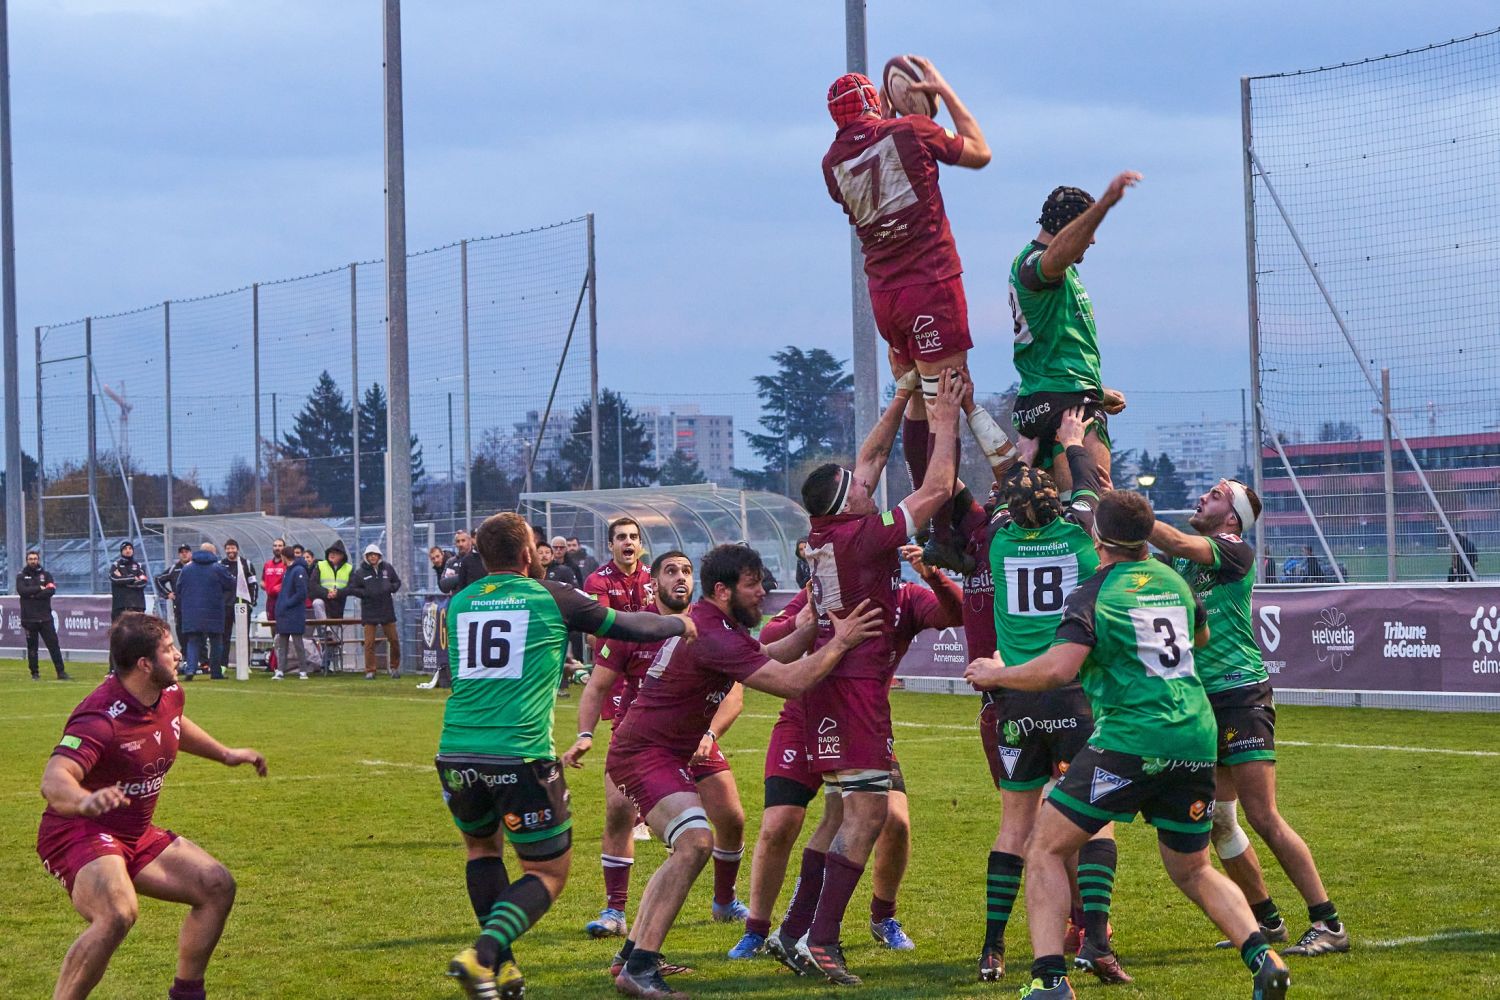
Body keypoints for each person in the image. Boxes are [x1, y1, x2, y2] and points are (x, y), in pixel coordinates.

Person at [965, 490, 1291, 1000]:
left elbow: (1058, 670)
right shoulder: (1174, 580)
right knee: (1193, 867)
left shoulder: (1094, 593)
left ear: (1098, 536)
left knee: (1045, 846)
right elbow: (1200, 638)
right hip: (1194, 735)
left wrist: (995, 673)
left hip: (1132, 736)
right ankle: (1263, 959)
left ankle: (1050, 981)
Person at [604, 543, 883, 999]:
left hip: (657, 751)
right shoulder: (713, 634)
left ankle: (632, 957)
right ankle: (639, 968)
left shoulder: (715, 625)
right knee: (696, 842)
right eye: (752, 584)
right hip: (646, 753)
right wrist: (841, 641)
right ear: (722, 590)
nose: (761, 592)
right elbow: (790, 681)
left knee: (692, 843)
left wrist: (812, 628)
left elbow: (765, 652)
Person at [437, 512, 695, 1000]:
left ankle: (503, 971)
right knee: (547, 872)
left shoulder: (460, 602)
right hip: (519, 753)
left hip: (455, 751)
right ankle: (482, 955)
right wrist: (677, 623)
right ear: (527, 553)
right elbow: (626, 625)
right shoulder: (551, 594)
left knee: (483, 851)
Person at [790, 371, 961, 985]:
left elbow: (871, 455)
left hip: (830, 685)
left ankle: (794, 931)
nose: (868, 483)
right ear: (848, 504)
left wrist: (901, 395)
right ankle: (822, 939)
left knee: (842, 813)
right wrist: (944, 414)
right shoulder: (863, 537)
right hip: (858, 686)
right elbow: (938, 486)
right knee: (867, 817)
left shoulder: (831, 528)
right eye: (858, 487)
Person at [734, 544, 961, 966]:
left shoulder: (905, 597)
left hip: (860, 724)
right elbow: (767, 641)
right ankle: (758, 930)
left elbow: (956, 613)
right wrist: (803, 623)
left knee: (893, 821)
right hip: (803, 720)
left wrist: (933, 574)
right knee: (780, 824)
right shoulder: (821, 592)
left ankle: (881, 916)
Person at [1150, 479, 1349, 958]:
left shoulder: (1234, 549)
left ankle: (1329, 923)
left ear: (1232, 518)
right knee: (1220, 820)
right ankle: (1267, 920)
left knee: (1263, 815)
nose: (1203, 497)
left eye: (1216, 495)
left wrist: (1125, 510)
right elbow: (1142, 558)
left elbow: (1172, 540)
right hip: (1203, 702)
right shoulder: (1184, 560)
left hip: (1241, 695)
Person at [968, 411, 1129, 984]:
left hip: (1018, 700)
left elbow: (1001, 497)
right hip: (1074, 696)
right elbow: (1087, 485)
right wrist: (1071, 440)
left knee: (1014, 826)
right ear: (1056, 507)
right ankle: (1097, 941)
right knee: (1096, 819)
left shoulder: (997, 540)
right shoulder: (1080, 533)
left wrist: (1023, 449)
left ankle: (992, 948)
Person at [36, 611, 267, 1000]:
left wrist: (225, 754)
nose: (178, 655)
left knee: (216, 886)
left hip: (133, 833)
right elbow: (54, 779)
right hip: (78, 832)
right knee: (117, 913)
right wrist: (85, 799)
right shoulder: (100, 717)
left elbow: (173, 723)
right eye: (168, 649)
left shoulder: (169, 693)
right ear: (144, 664)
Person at [822, 60, 997, 567]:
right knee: (947, 401)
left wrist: (893, 115)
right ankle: (944, 531)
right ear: (876, 101)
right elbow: (980, 152)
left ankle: (940, 527)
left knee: (920, 403)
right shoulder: (911, 130)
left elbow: (873, 152)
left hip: (885, 297)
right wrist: (943, 92)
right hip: (930, 285)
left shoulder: (831, 163)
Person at [563, 551, 749, 971]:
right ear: (654, 583)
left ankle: (724, 902)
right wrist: (586, 734)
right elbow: (597, 687)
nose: (680, 577)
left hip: (696, 737)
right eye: (671, 571)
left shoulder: (709, 628)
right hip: (641, 740)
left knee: (732, 818)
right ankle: (615, 910)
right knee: (619, 813)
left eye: (687, 570)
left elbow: (736, 693)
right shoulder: (635, 628)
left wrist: (710, 734)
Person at [1008, 173, 1142, 496]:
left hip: (1047, 397)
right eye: (1089, 229)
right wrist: (1105, 204)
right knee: (1091, 506)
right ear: (1070, 229)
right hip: (1068, 405)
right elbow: (1054, 258)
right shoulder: (1036, 265)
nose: (1092, 240)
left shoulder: (1060, 271)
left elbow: (1055, 346)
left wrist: (1096, 389)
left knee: (1046, 511)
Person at [577, 515, 657, 938]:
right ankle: (638, 814)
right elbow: (597, 633)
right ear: (610, 545)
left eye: (633, 537)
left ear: (640, 544)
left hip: (655, 672)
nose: (628, 542)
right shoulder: (598, 580)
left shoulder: (654, 577)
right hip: (617, 670)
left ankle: (654, 813)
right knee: (625, 737)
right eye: (621, 537)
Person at [176, 544, 234, 682]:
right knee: (216, 641)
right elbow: (231, 584)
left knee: (193, 641)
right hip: (214, 609)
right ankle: (216, 672)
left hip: (192, 611)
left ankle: (190, 669)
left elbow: (179, 587)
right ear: (213, 552)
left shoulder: (187, 568)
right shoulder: (218, 568)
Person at [348, 543, 403, 679]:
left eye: (375, 554)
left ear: (379, 556)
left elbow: (397, 582)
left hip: (386, 609)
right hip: (369, 610)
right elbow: (353, 588)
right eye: (370, 555)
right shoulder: (360, 572)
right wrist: (366, 593)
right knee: (369, 643)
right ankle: (370, 670)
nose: (372, 557)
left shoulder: (387, 568)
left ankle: (394, 667)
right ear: (366, 557)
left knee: (394, 640)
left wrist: (390, 588)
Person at [17, 549, 71, 680]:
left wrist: (33, 595)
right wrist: (38, 588)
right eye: (30, 559)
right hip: (29, 618)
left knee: (54, 645)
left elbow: (51, 590)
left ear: (38, 560)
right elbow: (22, 591)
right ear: (27, 560)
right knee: (32, 647)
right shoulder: (21, 576)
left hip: (45, 617)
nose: (33, 561)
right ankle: (34, 673)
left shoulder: (46, 575)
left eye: (35, 559)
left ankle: (61, 672)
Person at [215, 539, 259, 678]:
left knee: (243, 635)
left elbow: (253, 584)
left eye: (233, 548)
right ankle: (223, 664)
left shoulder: (246, 564)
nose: (230, 551)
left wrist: (251, 602)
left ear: (237, 549)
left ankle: (245, 664)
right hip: (225, 606)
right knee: (224, 636)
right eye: (228, 548)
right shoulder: (220, 565)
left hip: (242, 605)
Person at [273, 546, 310, 681]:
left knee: (298, 643)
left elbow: (302, 593)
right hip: (284, 613)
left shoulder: (299, 570)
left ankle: (303, 671)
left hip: (294, 613)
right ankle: (280, 670)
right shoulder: (287, 571)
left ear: (284, 556)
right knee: (282, 643)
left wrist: (287, 603)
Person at [155, 545, 193, 649]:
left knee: (195, 631)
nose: (184, 554)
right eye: (181, 552)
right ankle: (185, 653)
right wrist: (167, 593)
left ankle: (198, 655)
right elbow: (158, 579)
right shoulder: (174, 568)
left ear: (191, 553)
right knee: (180, 629)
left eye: (186, 552)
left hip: (194, 605)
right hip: (179, 605)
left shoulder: (195, 566)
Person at [311, 540, 352, 620]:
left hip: (339, 603)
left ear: (342, 555)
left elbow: (353, 586)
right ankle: (325, 626)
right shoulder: (321, 565)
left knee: (336, 625)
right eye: (330, 552)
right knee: (317, 603)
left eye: (335, 553)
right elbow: (313, 584)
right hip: (323, 599)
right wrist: (326, 593)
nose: (332, 554)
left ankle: (330, 627)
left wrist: (338, 593)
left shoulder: (348, 568)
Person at [262, 539, 287, 673]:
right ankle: (274, 659)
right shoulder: (267, 564)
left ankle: (281, 661)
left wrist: (279, 588)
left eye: (280, 546)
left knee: (282, 629)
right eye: (275, 546)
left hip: (282, 600)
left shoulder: (286, 564)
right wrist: (266, 586)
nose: (277, 548)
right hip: (270, 601)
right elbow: (262, 581)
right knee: (273, 629)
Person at [109, 542, 148, 622]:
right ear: (121, 551)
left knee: (137, 628)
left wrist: (124, 580)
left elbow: (143, 582)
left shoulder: (139, 566)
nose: (128, 550)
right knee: (120, 629)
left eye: (130, 548)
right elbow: (115, 579)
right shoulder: (116, 565)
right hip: (120, 605)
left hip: (137, 605)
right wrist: (133, 578)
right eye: (125, 549)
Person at [439, 529, 485, 597]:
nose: (460, 544)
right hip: (458, 600)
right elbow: (444, 586)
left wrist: (454, 579)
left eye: (463, 541)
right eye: (458, 541)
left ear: (470, 542)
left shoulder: (479, 559)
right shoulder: (451, 562)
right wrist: (464, 575)